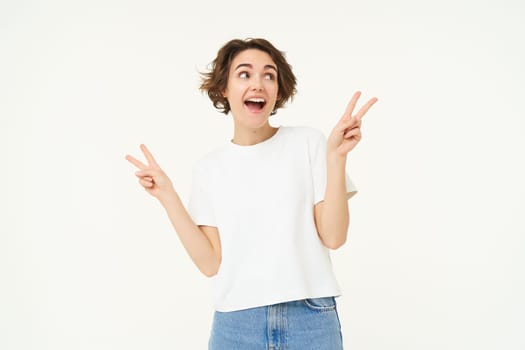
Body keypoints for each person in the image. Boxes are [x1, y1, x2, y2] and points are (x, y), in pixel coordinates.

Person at [125, 38, 377, 350]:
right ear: (223, 89)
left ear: (278, 90)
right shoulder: (209, 168)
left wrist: (337, 158)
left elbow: (334, 236)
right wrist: (167, 196)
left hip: (310, 318)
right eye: (244, 74)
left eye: (269, 75)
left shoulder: (309, 143)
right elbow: (209, 263)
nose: (258, 83)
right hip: (236, 325)